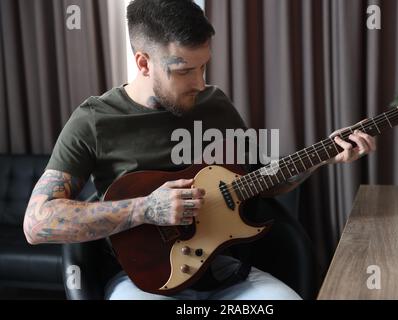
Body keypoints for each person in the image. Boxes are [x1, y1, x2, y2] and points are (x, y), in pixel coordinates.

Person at [23, 0, 376, 300]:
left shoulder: (214, 104)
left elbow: (259, 180)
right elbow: (37, 223)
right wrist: (146, 209)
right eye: (185, 70)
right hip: (142, 283)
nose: (200, 83)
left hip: (223, 273)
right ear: (144, 63)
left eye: (204, 66)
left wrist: (324, 154)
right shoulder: (93, 121)